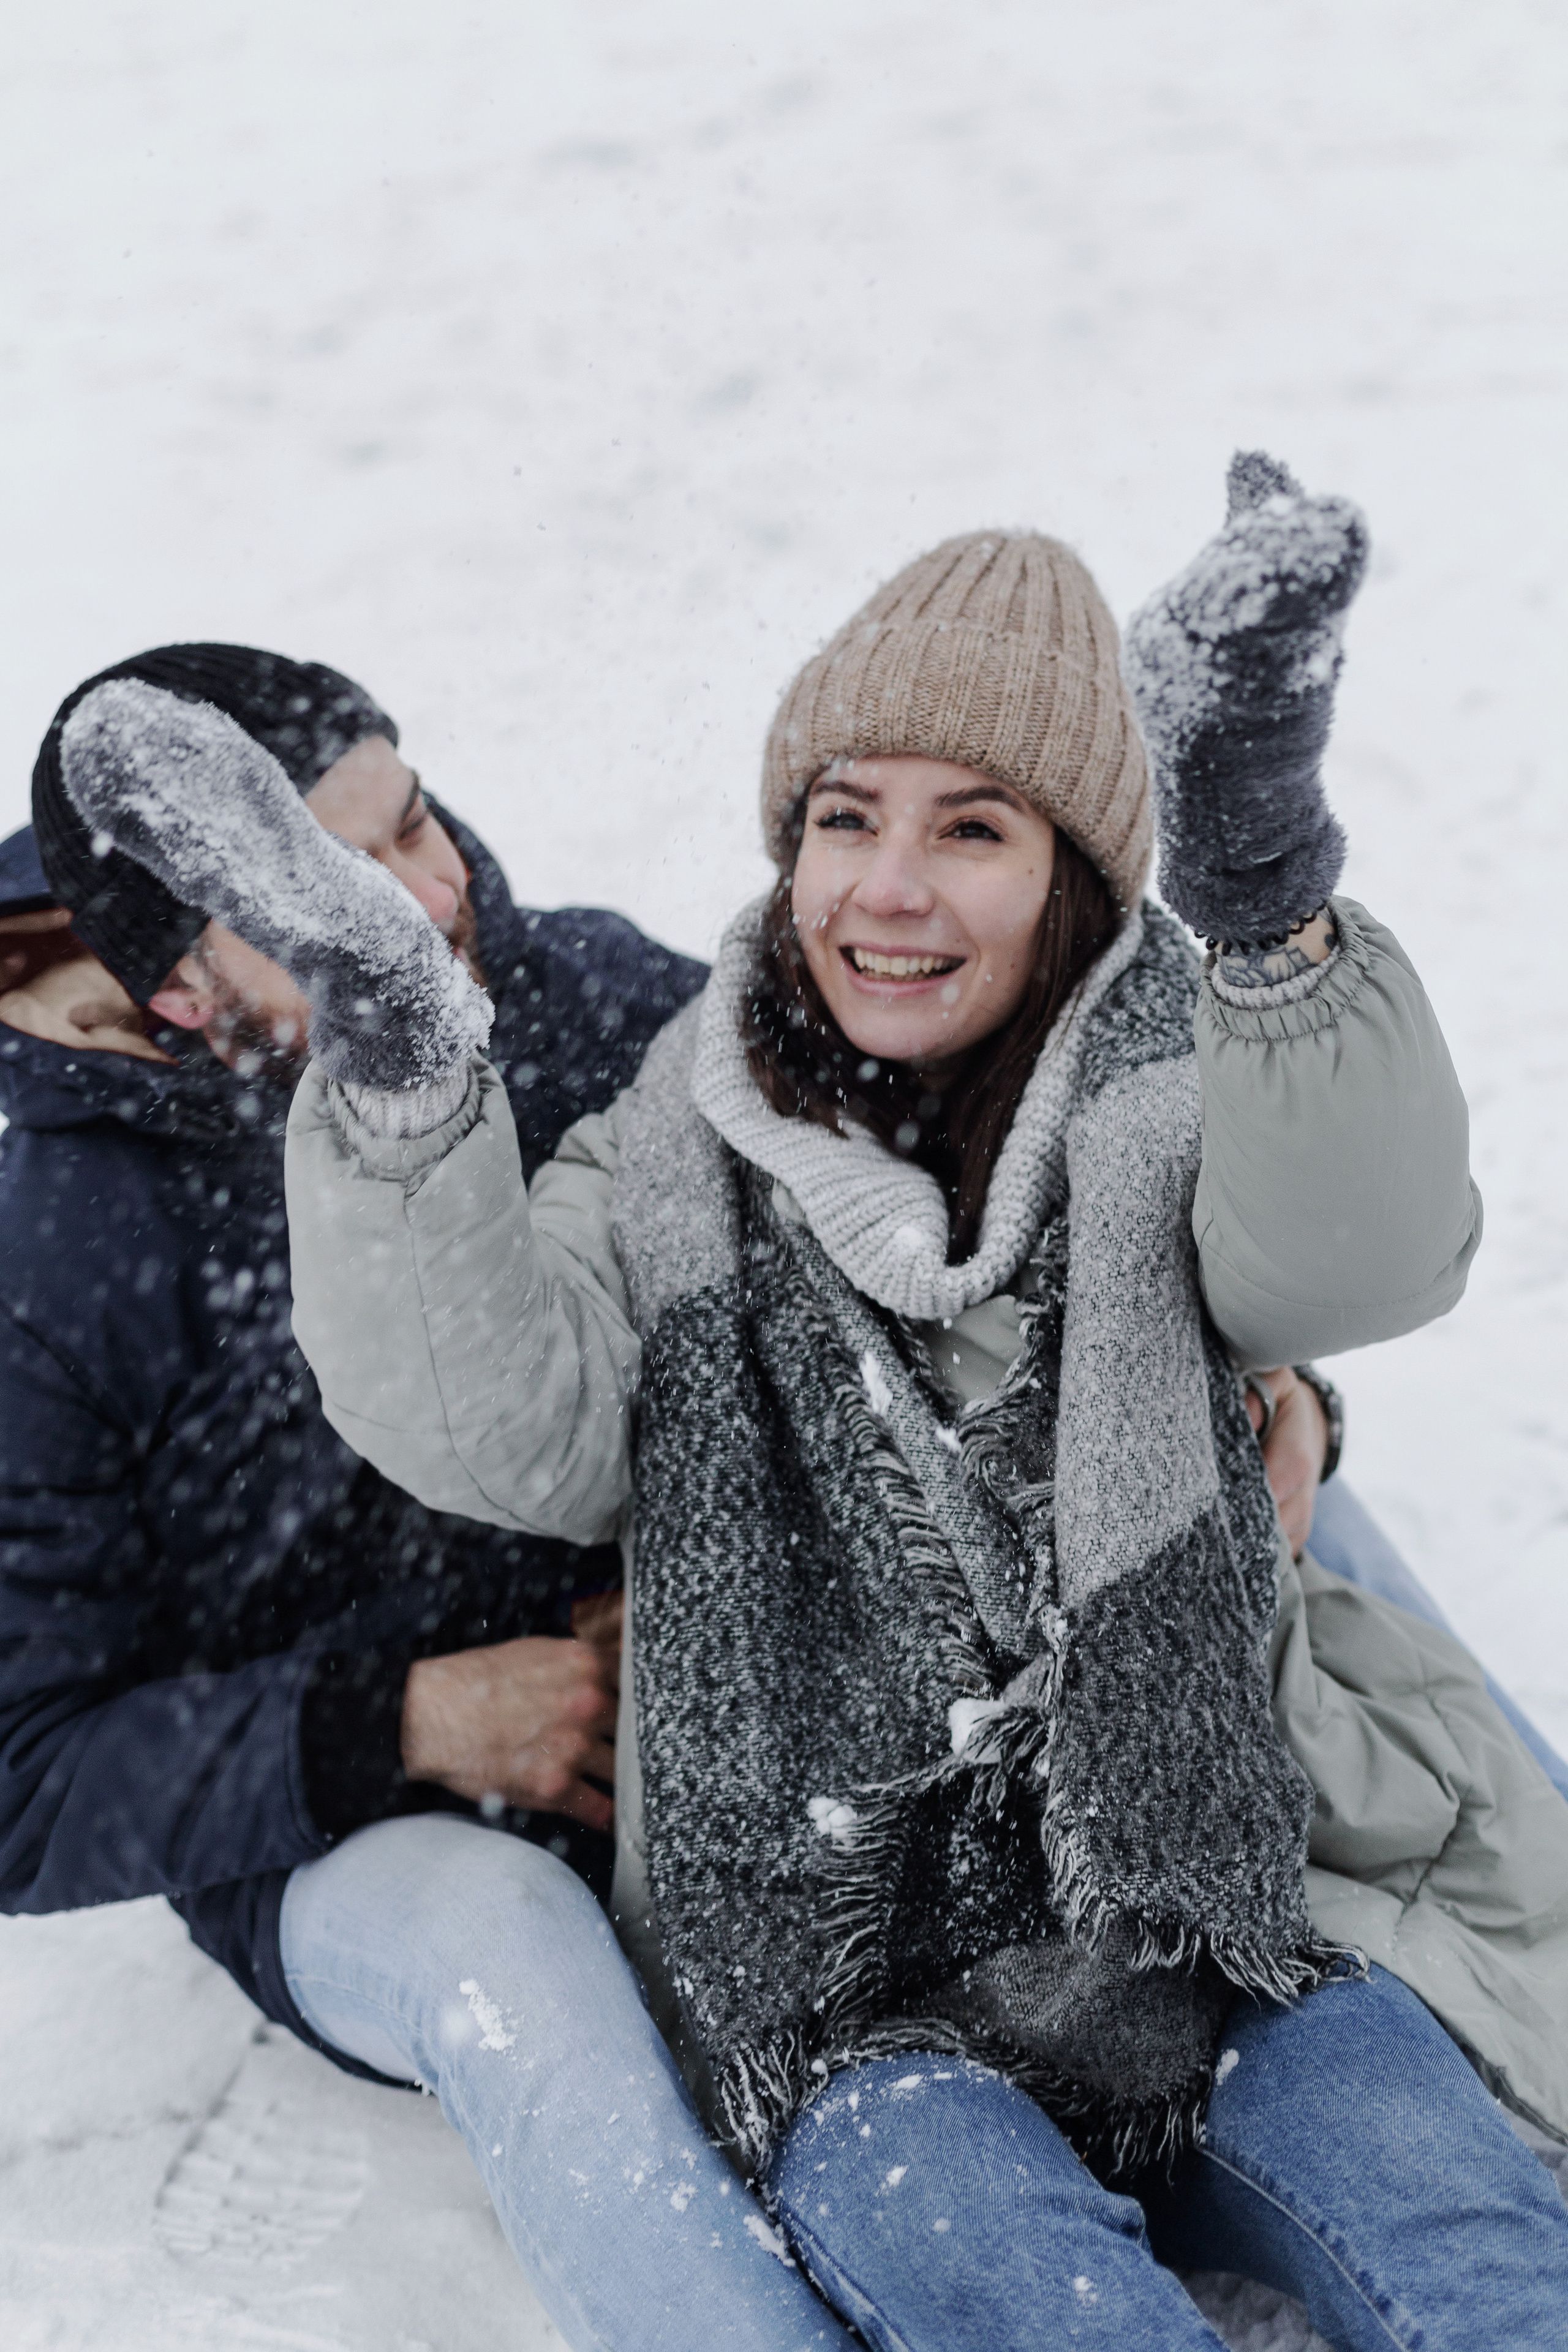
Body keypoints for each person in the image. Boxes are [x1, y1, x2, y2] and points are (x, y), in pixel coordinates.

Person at [53, 463, 1568, 2348]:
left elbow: (1299, 1242)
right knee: (976, 2264)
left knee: (1478, 2240)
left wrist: (1263, 938)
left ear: (1075, 876)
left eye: (973, 828)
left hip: (1155, 1881)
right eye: (846, 819)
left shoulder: (1075, 1069)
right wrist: (395, 1062)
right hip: (750, 1905)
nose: (889, 887)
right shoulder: (617, 1143)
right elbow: (495, 1415)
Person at [0, 642, 858, 2351]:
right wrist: (387, 1722)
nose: (434, 889)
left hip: (684, 1667)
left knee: (1233, 1505)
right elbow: (19, 1780)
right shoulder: (52, 1261)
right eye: (351, 881)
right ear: (181, 993)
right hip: (350, 1821)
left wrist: (1264, 1381)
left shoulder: (564, 993)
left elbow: (912, 1199)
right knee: (512, 1957)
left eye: (416, 816)